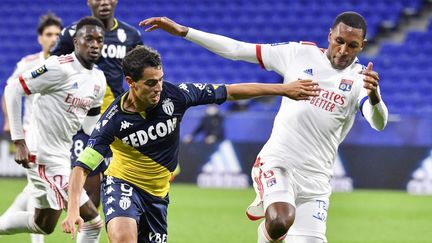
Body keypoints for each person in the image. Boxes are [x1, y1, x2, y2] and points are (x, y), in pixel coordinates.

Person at [140, 11, 388, 243]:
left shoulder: (360, 80)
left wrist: (374, 96)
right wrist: (185, 31)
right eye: (339, 41)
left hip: (317, 180)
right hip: (278, 162)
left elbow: (378, 122)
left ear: (362, 46)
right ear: (329, 35)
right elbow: (237, 49)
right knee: (281, 220)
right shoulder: (299, 54)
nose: (343, 50)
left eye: (352, 46)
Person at [61, 45, 321, 243]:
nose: (158, 88)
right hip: (123, 183)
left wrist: (283, 89)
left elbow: (230, 91)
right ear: (131, 83)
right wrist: (74, 209)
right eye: (151, 83)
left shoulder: (176, 95)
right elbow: (82, 167)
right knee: (123, 237)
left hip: (157, 194)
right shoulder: (113, 120)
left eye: (161, 79)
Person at [0, 16, 107, 243]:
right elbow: (12, 90)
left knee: (43, 224)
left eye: (99, 39)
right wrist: (18, 141)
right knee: (93, 222)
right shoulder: (58, 67)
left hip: (60, 156)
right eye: (89, 39)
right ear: (76, 42)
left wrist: (110, 141)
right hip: (42, 155)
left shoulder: (98, 78)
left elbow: (90, 125)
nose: (95, 44)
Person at [51, 0, 143, 208]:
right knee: (89, 188)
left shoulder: (131, 36)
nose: (103, 2)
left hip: (116, 121)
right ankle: (86, 232)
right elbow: (53, 69)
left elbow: (141, 77)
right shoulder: (71, 33)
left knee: (118, 189)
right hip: (81, 121)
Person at [0, 12, 63, 243]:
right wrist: (9, 121)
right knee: (41, 192)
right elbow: (9, 92)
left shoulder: (66, 65)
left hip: (57, 139)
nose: (53, 38)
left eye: (57, 33)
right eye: (49, 34)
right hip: (31, 136)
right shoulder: (28, 64)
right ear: (40, 38)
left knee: (32, 190)